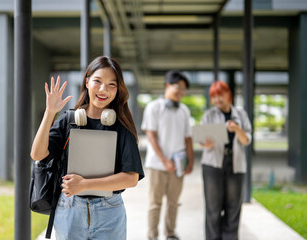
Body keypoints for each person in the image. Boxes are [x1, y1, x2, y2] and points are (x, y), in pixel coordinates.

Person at [30, 56, 144, 240]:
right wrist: (50, 112)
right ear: (87, 81)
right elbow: (37, 154)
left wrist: (84, 184)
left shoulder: (122, 127)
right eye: (97, 81)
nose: (103, 89)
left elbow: (131, 179)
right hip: (70, 210)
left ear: (118, 89)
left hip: (110, 212)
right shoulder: (69, 120)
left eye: (111, 84)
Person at [141, 70, 194, 240]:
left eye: (184, 89)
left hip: (178, 165)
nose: (181, 92)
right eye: (178, 87)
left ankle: (170, 233)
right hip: (157, 165)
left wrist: (190, 162)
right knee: (155, 203)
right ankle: (152, 235)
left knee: (173, 202)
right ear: (167, 86)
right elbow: (151, 135)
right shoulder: (153, 107)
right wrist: (164, 161)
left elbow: (188, 138)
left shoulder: (184, 110)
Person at [200, 80, 252, 240]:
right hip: (212, 165)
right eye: (214, 97)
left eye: (220, 95)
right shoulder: (209, 115)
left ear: (228, 94)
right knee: (213, 208)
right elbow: (202, 140)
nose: (217, 100)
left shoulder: (241, 114)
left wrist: (237, 129)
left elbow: (246, 140)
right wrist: (206, 142)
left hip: (236, 165)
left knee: (233, 207)